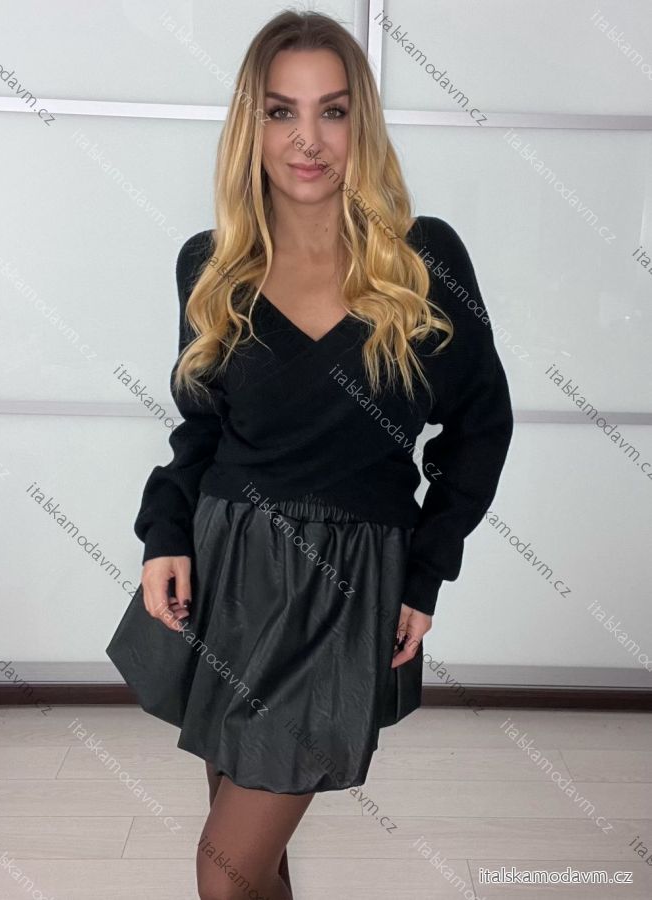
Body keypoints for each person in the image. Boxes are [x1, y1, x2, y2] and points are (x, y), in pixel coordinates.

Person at [107, 10, 514, 899]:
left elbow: (480, 427)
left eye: (332, 111)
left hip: (346, 587)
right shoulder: (212, 266)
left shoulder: (424, 259)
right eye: (279, 111)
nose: (307, 139)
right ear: (249, 126)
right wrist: (164, 534)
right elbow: (199, 431)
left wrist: (424, 571)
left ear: (359, 123)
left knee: (224, 869)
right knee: (255, 864)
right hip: (226, 569)